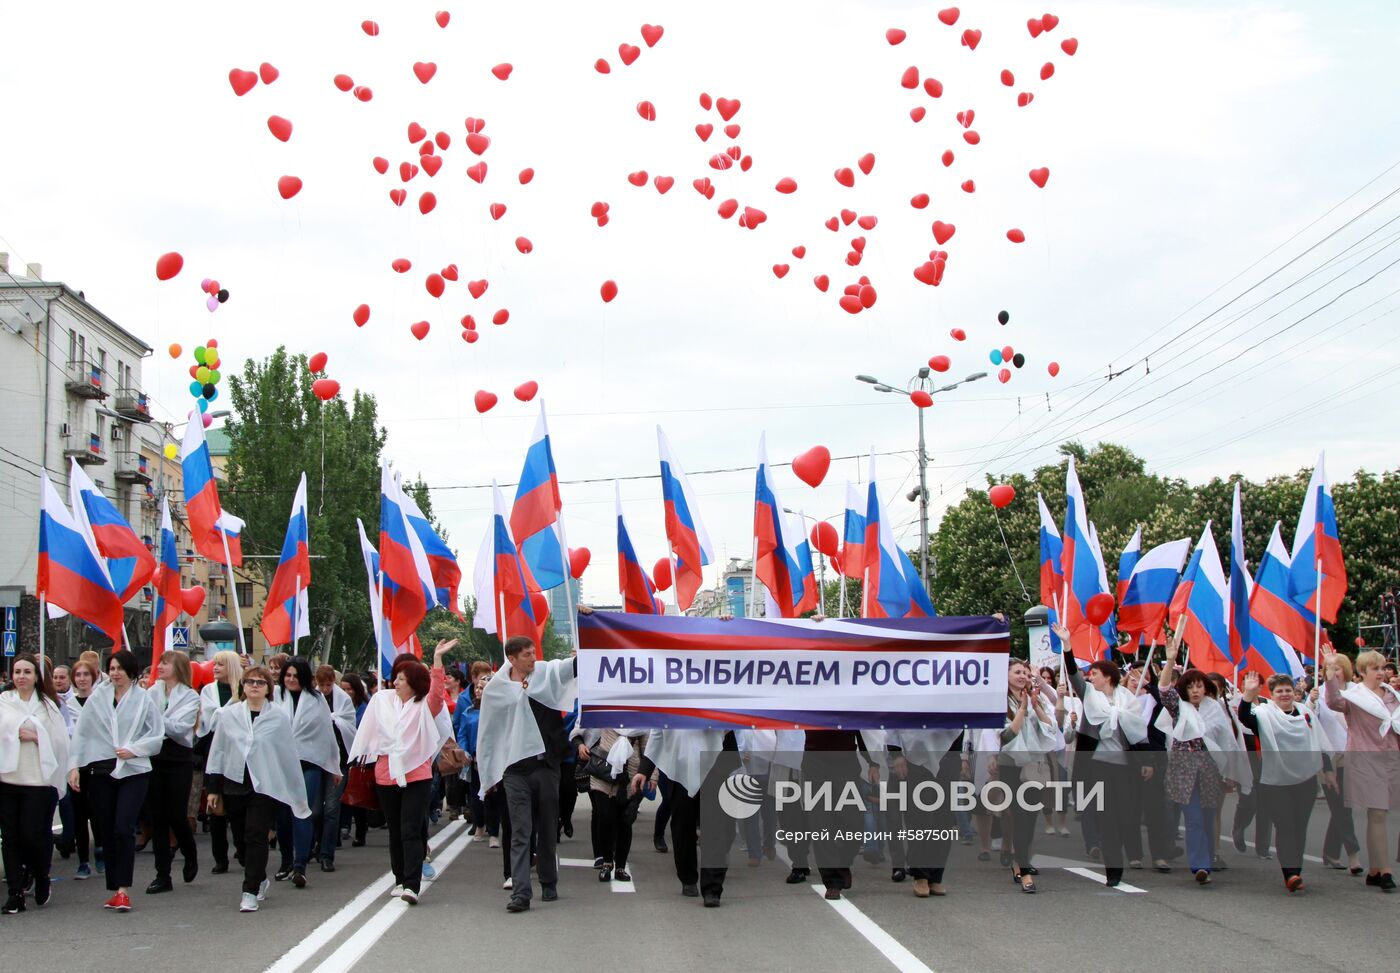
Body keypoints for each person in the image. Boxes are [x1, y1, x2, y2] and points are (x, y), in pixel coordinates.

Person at [347, 640, 454, 905]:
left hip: (416, 776)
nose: (395, 683)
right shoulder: (382, 701)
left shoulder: (424, 706)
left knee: (409, 828)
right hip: (386, 775)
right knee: (395, 830)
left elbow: (438, 694)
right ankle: (399, 878)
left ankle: (412, 884)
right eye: (395, 678)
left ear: (414, 683)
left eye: (402, 679)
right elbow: (368, 728)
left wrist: (437, 660)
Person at [477, 635, 577, 913]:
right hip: (515, 771)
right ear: (512, 658)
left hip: (546, 767)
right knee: (520, 831)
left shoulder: (546, 673)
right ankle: (521, 893)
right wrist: (488, 775)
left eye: (534, 653)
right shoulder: (497, 689)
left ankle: (548, 881)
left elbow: (577, 666)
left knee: (546, 828)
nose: (534, 658)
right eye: (527, 655)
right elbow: (489, 732)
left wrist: (589, 622)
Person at [205, 665, 311, 913]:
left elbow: (286, 755)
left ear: (268, 689)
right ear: (242, 686)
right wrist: (213, 787)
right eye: (250, 681)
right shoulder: (229, 715)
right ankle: (259, 876)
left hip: (264, 786)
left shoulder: (278, 717)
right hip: (234, 783)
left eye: (260, 682)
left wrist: (292, 789)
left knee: (256, 834)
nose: (254, 686)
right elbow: (218, 750)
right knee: (242, 841)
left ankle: (249, 890)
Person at [66, 650, 164, 912]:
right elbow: (82, 733)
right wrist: (74, 765)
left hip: (133, 769)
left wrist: (135, 749)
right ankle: (114, 888)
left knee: (123, 827)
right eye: (112, 667)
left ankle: (123, 890)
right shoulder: (99, 698)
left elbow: (156, 735)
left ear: (131, 672)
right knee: (107, 828)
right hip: (101, 770)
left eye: (121, 668)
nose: (116, 672)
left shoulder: (144, 699)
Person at [1054, 637, 1149, 888]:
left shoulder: (1127, 699)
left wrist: (1147, 761)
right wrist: (1067, 646)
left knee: (1126, 818)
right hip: (1098, 768)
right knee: (1106, 819)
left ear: (1108, 676)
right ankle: (1113, 871)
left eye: (1094, 673)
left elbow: (1139, 732)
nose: (1090, 677)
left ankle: (1126, 852)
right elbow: (1074, 674)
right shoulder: (1089, 695)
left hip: (1125, 768)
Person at [1155, 633, 1243, 885]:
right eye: (1190, 686)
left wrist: (1230, 773)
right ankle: (1200, 866)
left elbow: (1226, 741)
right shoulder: (1178, 706)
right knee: (1193, 817)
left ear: (1206, 688)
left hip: (1209, 769)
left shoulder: (1214, 709)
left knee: (1207, 817)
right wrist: (1170, 660)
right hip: (1184, 770)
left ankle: (1208, 857)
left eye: (1199, 686)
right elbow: (1163, 689)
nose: (1195, 690)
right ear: (1184, 689)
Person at [1237, 670, 1324, 892]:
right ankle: (1290, 873)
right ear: (1272, 695)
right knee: (1285, 826)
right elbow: (1245, 716)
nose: (1284, 694)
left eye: (1288, 690)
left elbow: (1318, 742)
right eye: (1279, 691)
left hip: (1305, 779)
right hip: (1275, 781)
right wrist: (1248, 694)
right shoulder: (1264, 714)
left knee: (1299, 827)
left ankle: (1297, 871)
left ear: (1294, 693)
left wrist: (1328, 771)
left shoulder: (1305, 713)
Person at [1322, 646, 1400, 891]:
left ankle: (1375, 870)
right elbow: (1333, 701)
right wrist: (1331, 670)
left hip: (1391, 759)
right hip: (1365, 759)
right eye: (1374, 668)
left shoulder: (1392, 696)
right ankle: (1386, 870)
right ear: (1362, 671)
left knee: (1379, 815)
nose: (1381, 673)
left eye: (1382, 668)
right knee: (1377, 813)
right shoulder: (1354, 697)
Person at [0, 654, 70, 913]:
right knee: (10, 837)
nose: (21, 676)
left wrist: (36, 735)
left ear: (36, 676)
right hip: (7, 778)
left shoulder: (47, 706)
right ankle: (15, 893)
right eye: (17, 671)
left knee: (32, 835)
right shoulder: (4, 702)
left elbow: (61, 742)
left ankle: (42, 875)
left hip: (38, 781)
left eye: (27, 672)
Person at [272, 657, 342, 887]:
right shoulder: (274, 696)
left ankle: (300, 865)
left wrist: (334, 764)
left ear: (303, 677)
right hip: (281, 764)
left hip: (308, 762)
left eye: (295, 675)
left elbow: (326, 732)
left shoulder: (316, 699)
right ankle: (286, 862)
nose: (291, 679)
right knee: (282, 816)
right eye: (287, 675)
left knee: (304, 812)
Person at [144, 651, 201, 894]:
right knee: (158, 817)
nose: (160, 667)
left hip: (179, 758)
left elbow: (180, 729)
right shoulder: (151, 692)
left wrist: (156, 718)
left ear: (178, 667)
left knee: (176, 814)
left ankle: (189, 851)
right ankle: (162, 874)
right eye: (160, 662)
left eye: (165, 663)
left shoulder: (190, 696)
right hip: (155, 756)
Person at [998, 658, 1055, 893]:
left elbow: (1050, 726)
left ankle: (1019, 860)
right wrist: (1022, 708)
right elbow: (1007, 735)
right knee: (1019, 815)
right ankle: (1024, 870)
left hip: (1033, 764)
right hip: (1010, 764)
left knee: (1030, 817)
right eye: (1016, 672)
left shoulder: (1035, 697)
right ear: (1006, 675)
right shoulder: (999, 701)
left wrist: (1035, 705)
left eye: (1024, 672)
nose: (1022, 676)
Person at [1313, 652, 1362, 873]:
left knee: (1345, 807)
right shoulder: (1318, 694)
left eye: (1337, 666)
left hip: (1354, 755)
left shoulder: (1357, 692)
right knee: (1340, 806)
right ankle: (1353, 854)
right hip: (1329, 757)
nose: (1333, 670)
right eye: (1328, 666)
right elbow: (1311, 724)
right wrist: (1311, 702)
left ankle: (1331, 852)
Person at [199, 650, 244, 875]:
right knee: (215, 805)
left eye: (221, 665)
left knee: (236, 806)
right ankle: (220, 858)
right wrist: (227, 712)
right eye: (214, 664)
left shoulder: (242, 690)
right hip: (214, 751)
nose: (215, 668)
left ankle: (241, 848)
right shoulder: (208, 690)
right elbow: (209, 719)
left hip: (237, 752)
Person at [585, 727, 651, 882]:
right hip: (603, 773)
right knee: (605, 817)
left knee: (625, 822)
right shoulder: (608, 711)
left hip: (631, 777)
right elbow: (590, 728)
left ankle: (620, 866)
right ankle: (607, 862)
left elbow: (648, 749)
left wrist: (652, 776)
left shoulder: (641, 720)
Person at [313, 664, 357, 872]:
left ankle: (327, 854)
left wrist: (333, 720)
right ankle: (317, 843)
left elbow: (349, 725)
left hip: (338, 762)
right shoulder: (311, 699)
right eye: (321, 685)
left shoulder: (343, 700)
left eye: (328, 685)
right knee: (315, 810)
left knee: (331, 807)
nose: (325, 689)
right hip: (316, 759)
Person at [64, 658, 103, 879]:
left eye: (85, 675)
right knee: (78, 812)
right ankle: (83, 861)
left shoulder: (100, 702)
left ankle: (100, 850)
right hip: (76, 763)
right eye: (78, 675)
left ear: (93, 677)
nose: (81, 679)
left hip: (96, 763)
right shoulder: (67, 705)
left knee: (97, 811)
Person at [338, 673, 370, 847]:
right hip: (341, 755)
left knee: (357, 794)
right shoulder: (336, 706)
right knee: (339, 795)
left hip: (359, 756)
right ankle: (341, 828)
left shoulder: (364, 707)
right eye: (342, 689)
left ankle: (360, 831)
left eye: (348, 689)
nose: (345, 693)